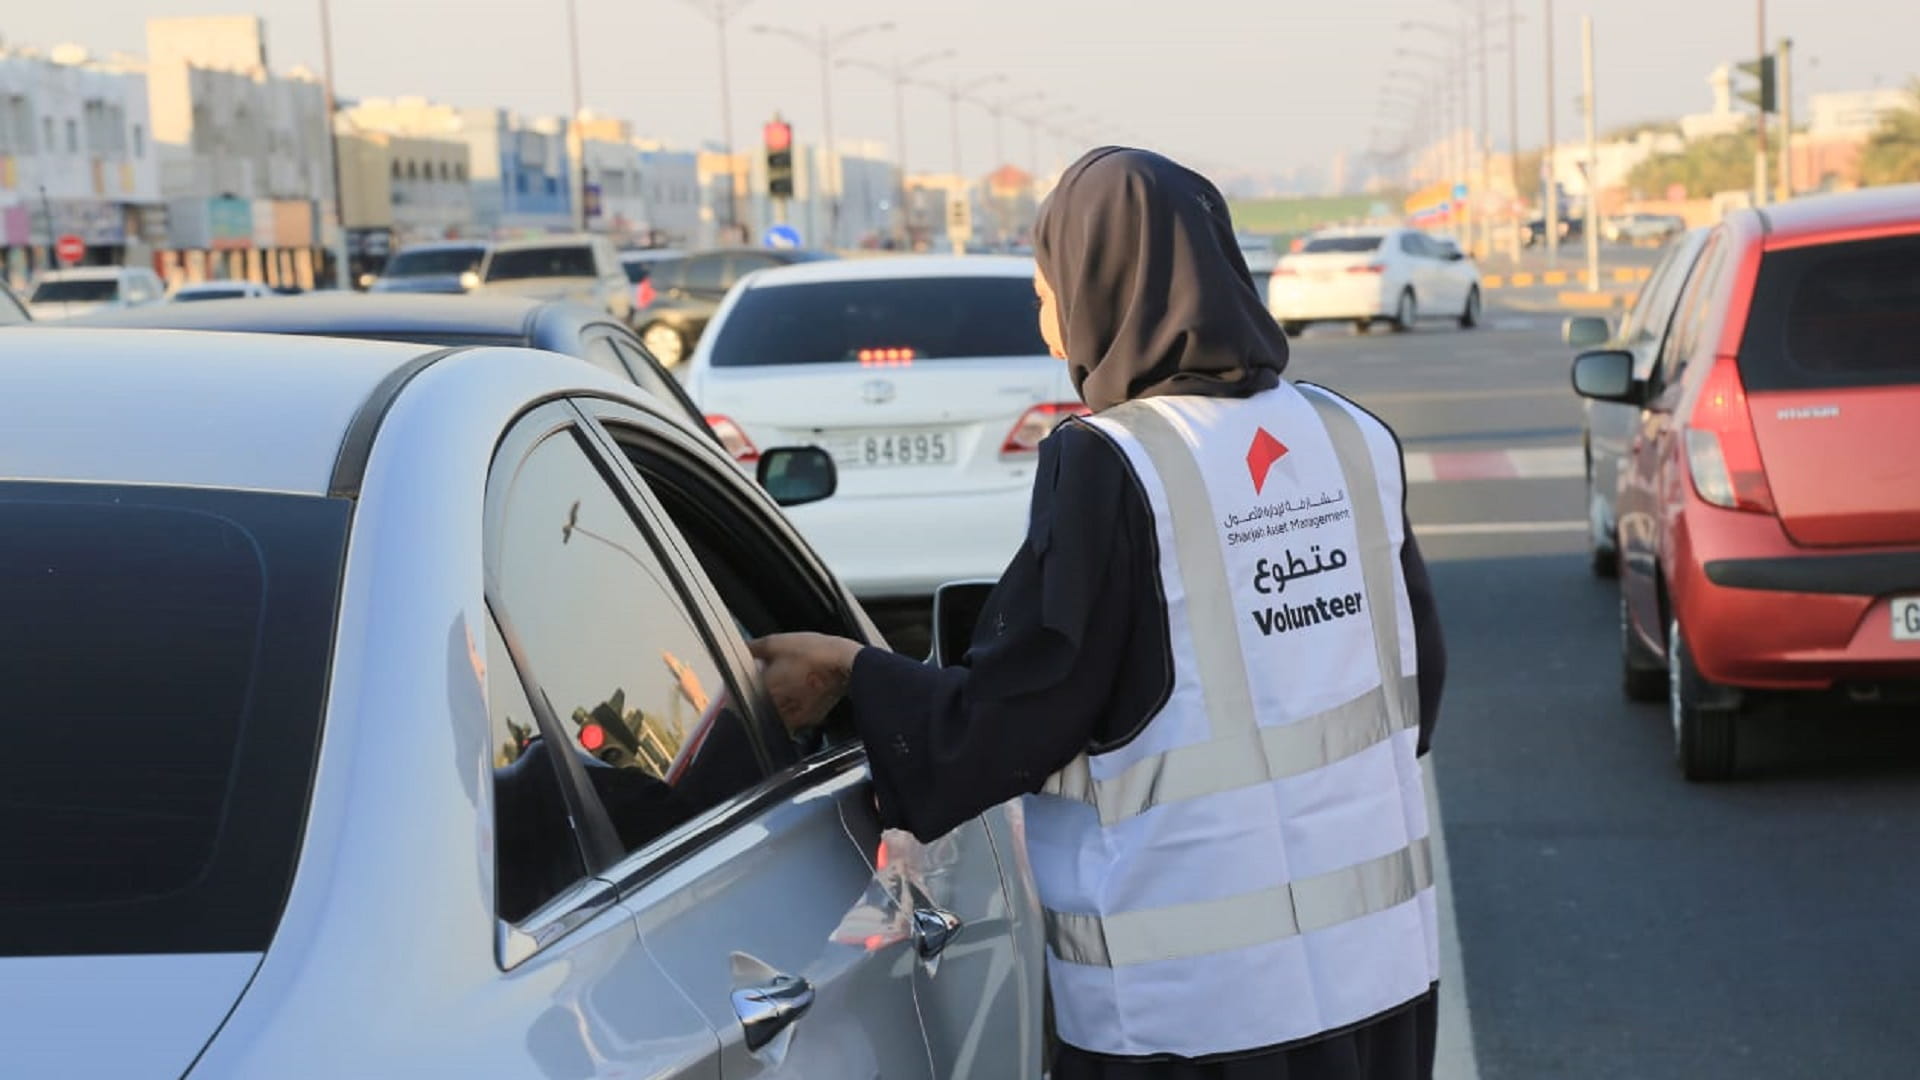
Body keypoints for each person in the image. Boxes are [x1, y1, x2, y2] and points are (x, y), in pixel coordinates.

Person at [750, 147, 1446, 1080]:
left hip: (1194, 1014)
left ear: (1094, 286)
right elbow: (1416, 686)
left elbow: (1018, 713)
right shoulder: (1349, 434)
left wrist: (852, 675)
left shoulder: (1114, 464)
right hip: (1380, 983)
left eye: (1046, 287)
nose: (1045, 318)